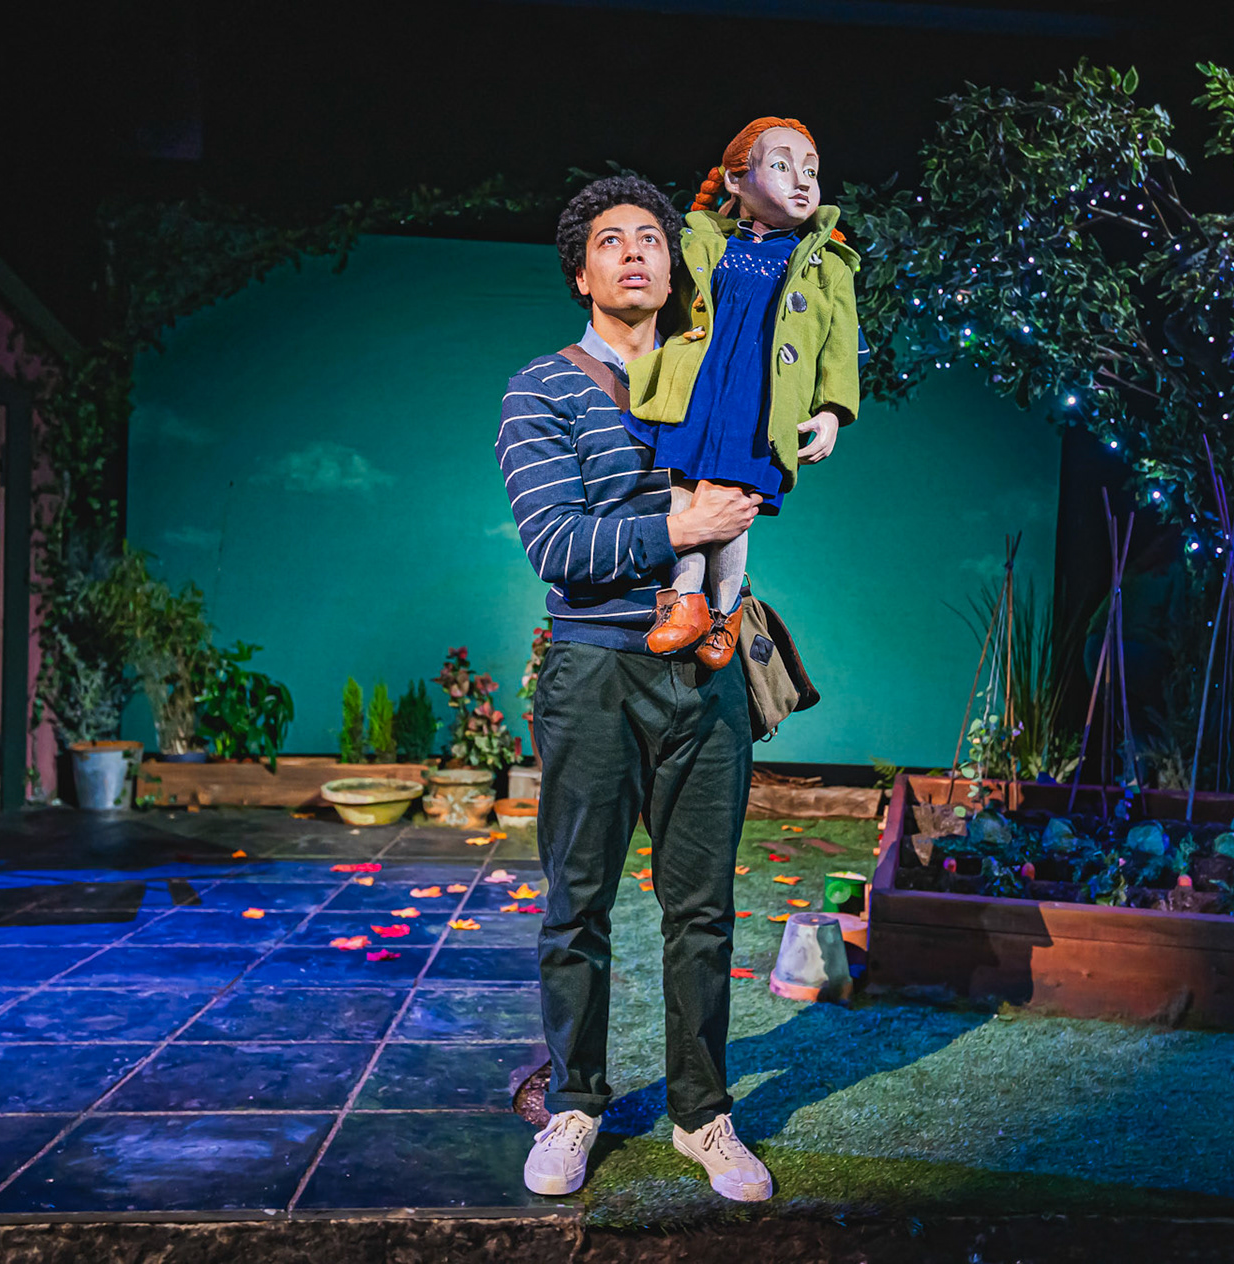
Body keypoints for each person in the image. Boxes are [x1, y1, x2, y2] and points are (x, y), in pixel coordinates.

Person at [497, 176, 772, 1202]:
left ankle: (703, 1115)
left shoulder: (719, 375)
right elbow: (557, 545)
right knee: (578, 905)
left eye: (651, 238)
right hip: (594, 672)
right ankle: (576, 1103)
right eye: (610, 241)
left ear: (673, 262)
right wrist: (679, 527)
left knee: (704, 910)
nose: (635, 253)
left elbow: (763, 478)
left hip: (708, 670)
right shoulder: (542, 389)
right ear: (582, 273)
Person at [622, 116, 863, 667]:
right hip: (697, 391)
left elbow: (839, 348)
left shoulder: (828, 266)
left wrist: (830, 411)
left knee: (733, 501)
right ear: (735, 180)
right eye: (781, 166)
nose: (801, 181)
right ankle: (684, 600)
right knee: (683, 491)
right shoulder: (702, 243)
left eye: (811, 171)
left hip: (759, 404)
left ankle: (725, 611)